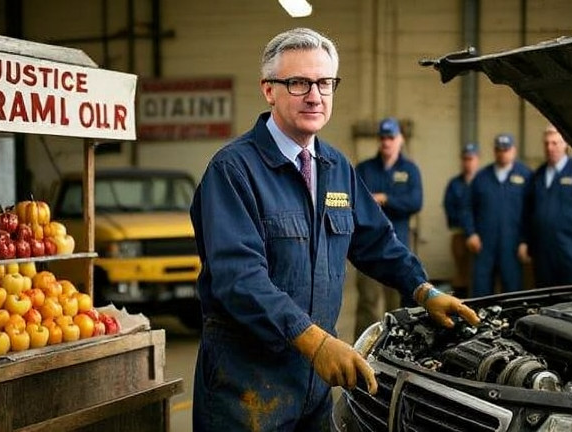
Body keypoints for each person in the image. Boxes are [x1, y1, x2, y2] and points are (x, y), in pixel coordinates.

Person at [189, 27, 478, 432]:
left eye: (325, 82)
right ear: (268, 90)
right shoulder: (234, 171)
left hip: (314, 384)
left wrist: (422, 290)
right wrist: (316, 342)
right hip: (246, 386)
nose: (315, 95)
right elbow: (238, 278)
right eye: (298, 82)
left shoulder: (335, 167)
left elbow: (375, 240)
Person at [353, 117, 423, 338]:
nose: (386, 142)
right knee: (368, 301)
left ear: (400, 139)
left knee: (399, 302)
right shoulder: (364, 169)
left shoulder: (410, 170)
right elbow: (354, 203)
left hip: (399, 244)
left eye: (391, 138)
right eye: (382, 138)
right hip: (367, 247)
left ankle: (397, 348)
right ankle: (363, 351)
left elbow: (415, 202)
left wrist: (385, 199)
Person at [519, 125, 572, 287]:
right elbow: (528, 213)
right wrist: (525, 241)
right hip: (543, 252)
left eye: (555, 143)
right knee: (544, 297)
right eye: (546, 143)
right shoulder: (538, 175)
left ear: (565, 144)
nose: (550, 148)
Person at [464, 133, 532, 296]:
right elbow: (466, 208)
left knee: (512, 291)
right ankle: (479, 321)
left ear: (513, 151)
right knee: (481, 291)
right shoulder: (481, 177)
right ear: (494, 151)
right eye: (499, 150)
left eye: (506, 150)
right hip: (484, 245)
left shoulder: (526, 176)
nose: (503, 153)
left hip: (513, 245)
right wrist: (471, 233)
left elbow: (532, 212)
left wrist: (526, 241)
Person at [442, 142, 479, 297]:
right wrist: (466, 223)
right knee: (461, 274)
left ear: (477, 160)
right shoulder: (455, 184)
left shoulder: (483, 181)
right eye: (465, 159)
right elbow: (449, 208)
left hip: (480, 235)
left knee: (479, 274)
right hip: (460, 234)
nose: (468, 162)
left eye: (471, 159)